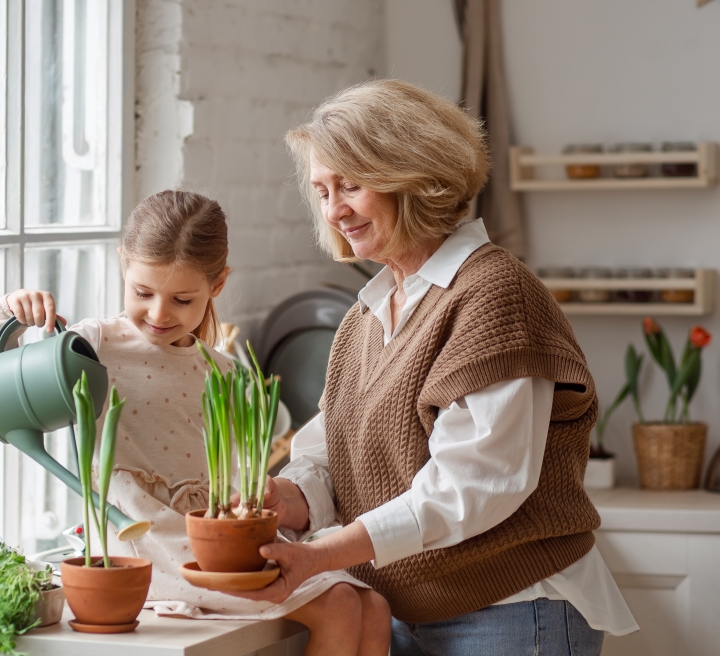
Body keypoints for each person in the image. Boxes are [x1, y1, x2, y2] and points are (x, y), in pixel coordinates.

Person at [226, 79, 638, 655]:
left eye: (352, 185)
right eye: (322, 191)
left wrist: (320, 553)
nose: (334, 210)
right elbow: (329, 452)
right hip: (406, 610)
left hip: (513, 613)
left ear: (413, 177)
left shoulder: (493, 295)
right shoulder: (367, 316)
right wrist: (288, 498)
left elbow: (474, 485)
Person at [0, 189, 390, 655]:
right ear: (124, 264)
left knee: (373, 606)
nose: (160, 314)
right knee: (340, 604)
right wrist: (6, 316)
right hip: (143, 538)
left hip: (211, 533)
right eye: (143, 293)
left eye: (183, 299)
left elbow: (231, 479)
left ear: (218, 285)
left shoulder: (221, 370)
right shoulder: (92, 346)